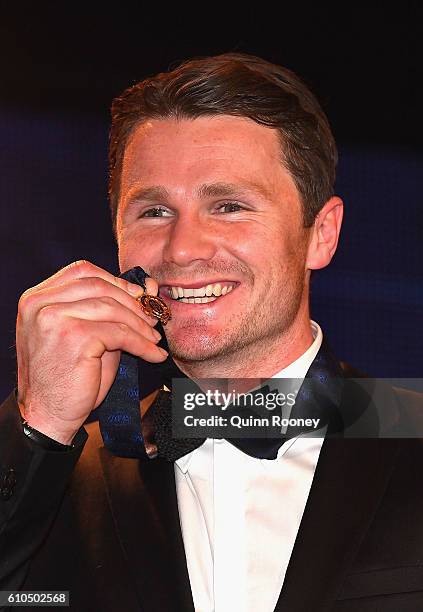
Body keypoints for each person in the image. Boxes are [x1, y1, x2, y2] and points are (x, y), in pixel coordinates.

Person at [0, 53, 422, 612]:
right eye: (152, 211)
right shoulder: (57, 471)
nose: (182, 249)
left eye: (228, 205)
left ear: (321, 234)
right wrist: (40, 424)